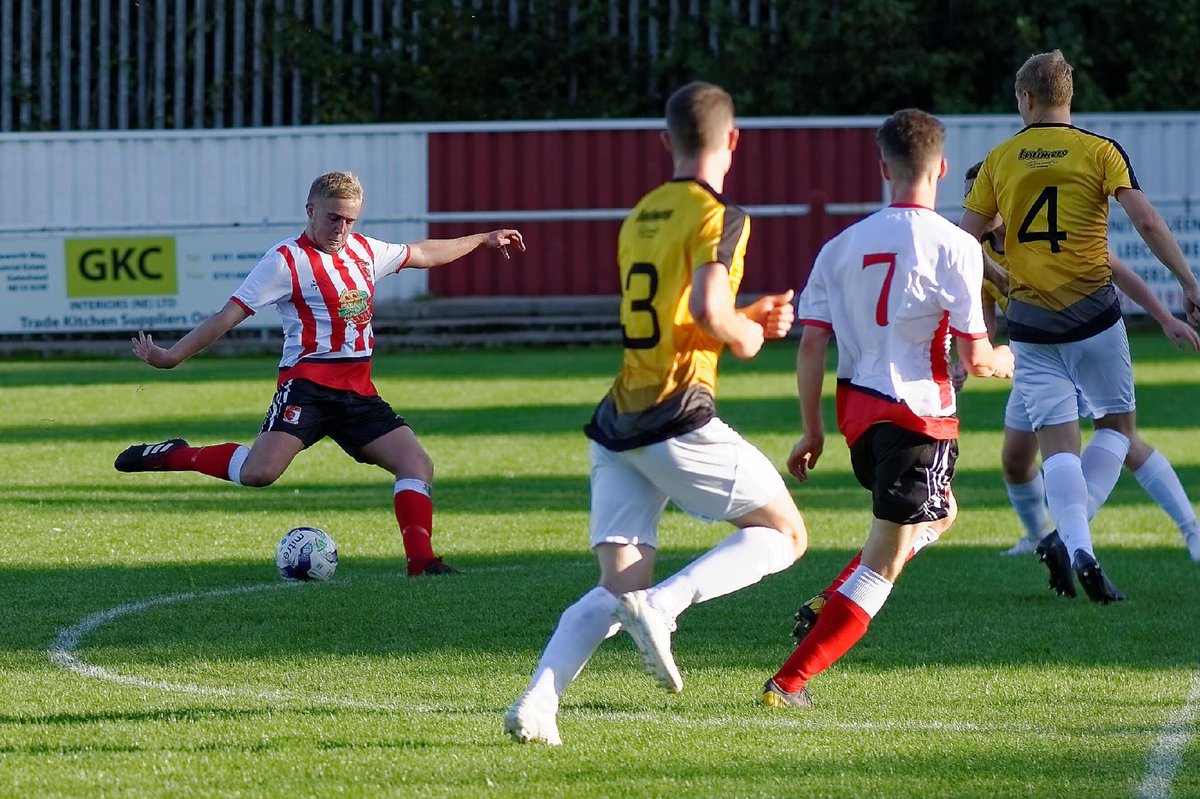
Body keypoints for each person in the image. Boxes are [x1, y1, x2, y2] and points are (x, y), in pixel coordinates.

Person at [504, 81, 806, 744]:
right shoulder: (720, 214)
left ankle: (537, 702)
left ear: (664, 141)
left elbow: (678, 317)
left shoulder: (640, 214)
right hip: (675, 416)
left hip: (618, 419)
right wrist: (753, 332)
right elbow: (706, 310)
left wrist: (743, 313)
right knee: (785, 534)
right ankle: (666, 606)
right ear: (732, 139)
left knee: (618, 588)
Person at [114, 171, 525, 577]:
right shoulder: (284, 261)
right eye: (334, 218)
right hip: (306, 389)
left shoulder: (365, 251)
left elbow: (423, 253)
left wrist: (482, 239)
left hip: (358, 393)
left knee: (417, 465)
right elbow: (227, 316)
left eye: (350, 220)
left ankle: (422, 563)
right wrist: (170, 357)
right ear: (310, 210)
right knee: (259, 473)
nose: (342, 229)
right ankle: (172, 455)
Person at [758, 108, 1013, 709]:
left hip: (860, 424)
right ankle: (788, 683)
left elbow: (812, 343)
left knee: (941, 512)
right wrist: (1011, 360)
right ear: (943, 168)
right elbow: (977, 358)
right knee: (884, 566)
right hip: (919, 417)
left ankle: (831, 596)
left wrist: (811, 431)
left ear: (883, 168)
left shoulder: (839, 246)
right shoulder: (955, 245)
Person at [960, 50, 1200, 602]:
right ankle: (1071, 543)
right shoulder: (1100, 150)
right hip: (1094, 314)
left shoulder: (999, 159)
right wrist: (1187, 282)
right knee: (1117, 432)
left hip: (1031, 328)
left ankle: (1076, 545)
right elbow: (1145, 220)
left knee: (1058, 448)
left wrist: (999, 273)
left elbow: (960, 241)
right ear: (1068, 99)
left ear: (1026, 99)